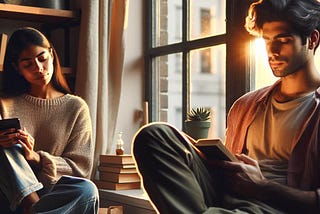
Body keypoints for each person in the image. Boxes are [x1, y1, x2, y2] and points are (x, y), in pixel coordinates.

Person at [133, 0, 320, 213]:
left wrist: (262, 187)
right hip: (227, 195)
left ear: (312, 39)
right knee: (155, 135)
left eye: (283, 40)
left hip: (274, 207)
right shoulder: (247, 105)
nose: (272, 51)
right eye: (267, 40)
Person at [0, 27, 99, 213]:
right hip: (10, 196)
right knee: (5, 143)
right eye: (28, 64)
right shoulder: (4, 104)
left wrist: (36, 157)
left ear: (52, 55)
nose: (38, 68)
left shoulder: (76, 107)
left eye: (42, 58)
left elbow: (80, 169)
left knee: (87, 189)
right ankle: (31, 203)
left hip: (54, 194)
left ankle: (36, 209)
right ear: (17, 68)